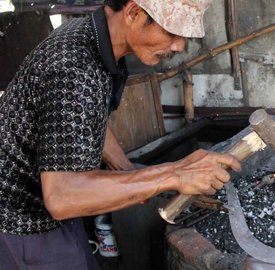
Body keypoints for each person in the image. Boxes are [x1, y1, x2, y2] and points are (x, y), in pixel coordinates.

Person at [0, 0, 241, 269]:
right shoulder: (72, 66)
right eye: (172, 32)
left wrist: (128, 172)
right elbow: (62, 196)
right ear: (134, 13)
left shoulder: (97, 43)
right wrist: (173, 174)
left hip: (55, 212)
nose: (179, 46)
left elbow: (92, 122)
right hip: (21, 221)